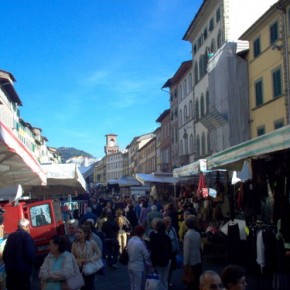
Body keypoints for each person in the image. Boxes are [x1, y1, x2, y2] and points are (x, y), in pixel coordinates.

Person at [3, 218, 36, 290]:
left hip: (11, 273)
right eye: (28, 226)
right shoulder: (26, 236)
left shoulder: (10, 236)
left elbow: (4, 255)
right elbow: (30, 254)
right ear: (26, 226)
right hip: (23, 273)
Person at [71, 225, 102, 290]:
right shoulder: (74, 244)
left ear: (85, 234)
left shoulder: (92, 243)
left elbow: (99, 254)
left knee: (89, 286)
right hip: (79, 269)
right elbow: (72, 257)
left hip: (90, 268)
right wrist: (79, 260)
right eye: (77, 232)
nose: (78, 234)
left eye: (80, 232)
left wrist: (90, 259)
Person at [149, 219, 172, 290]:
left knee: (158, 279)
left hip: (158, 260)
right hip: (166, 260)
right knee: (165, 279)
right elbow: (170, 249)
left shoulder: (155, 237)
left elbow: (153, 251)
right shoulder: (167, 237)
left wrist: (153, 263)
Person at [127, 225, 152, 290]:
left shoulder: (130, 240)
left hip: (130, 264)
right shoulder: (140, 243)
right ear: (142, 233)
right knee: (138, 285)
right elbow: (146, 255)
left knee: (132, 284)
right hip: (138, 266)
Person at [183, 215, 202, 290]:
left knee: (191, 279)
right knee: (197, 277)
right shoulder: (197, 233)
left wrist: (185, 263)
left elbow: (186, 250)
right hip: (197, 257)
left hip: (191, 260)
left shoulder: (187, 235)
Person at [164, 216, 179, 287]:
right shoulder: (163, 229)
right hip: (165, 251)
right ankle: (165, 281)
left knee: (171, 268)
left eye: (170, 221)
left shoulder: (173, 229)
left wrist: (177, 248)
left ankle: (169, 280)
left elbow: (176, 238)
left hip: (172, 250)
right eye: (168, 222)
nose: (170, 223)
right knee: (165, 267)